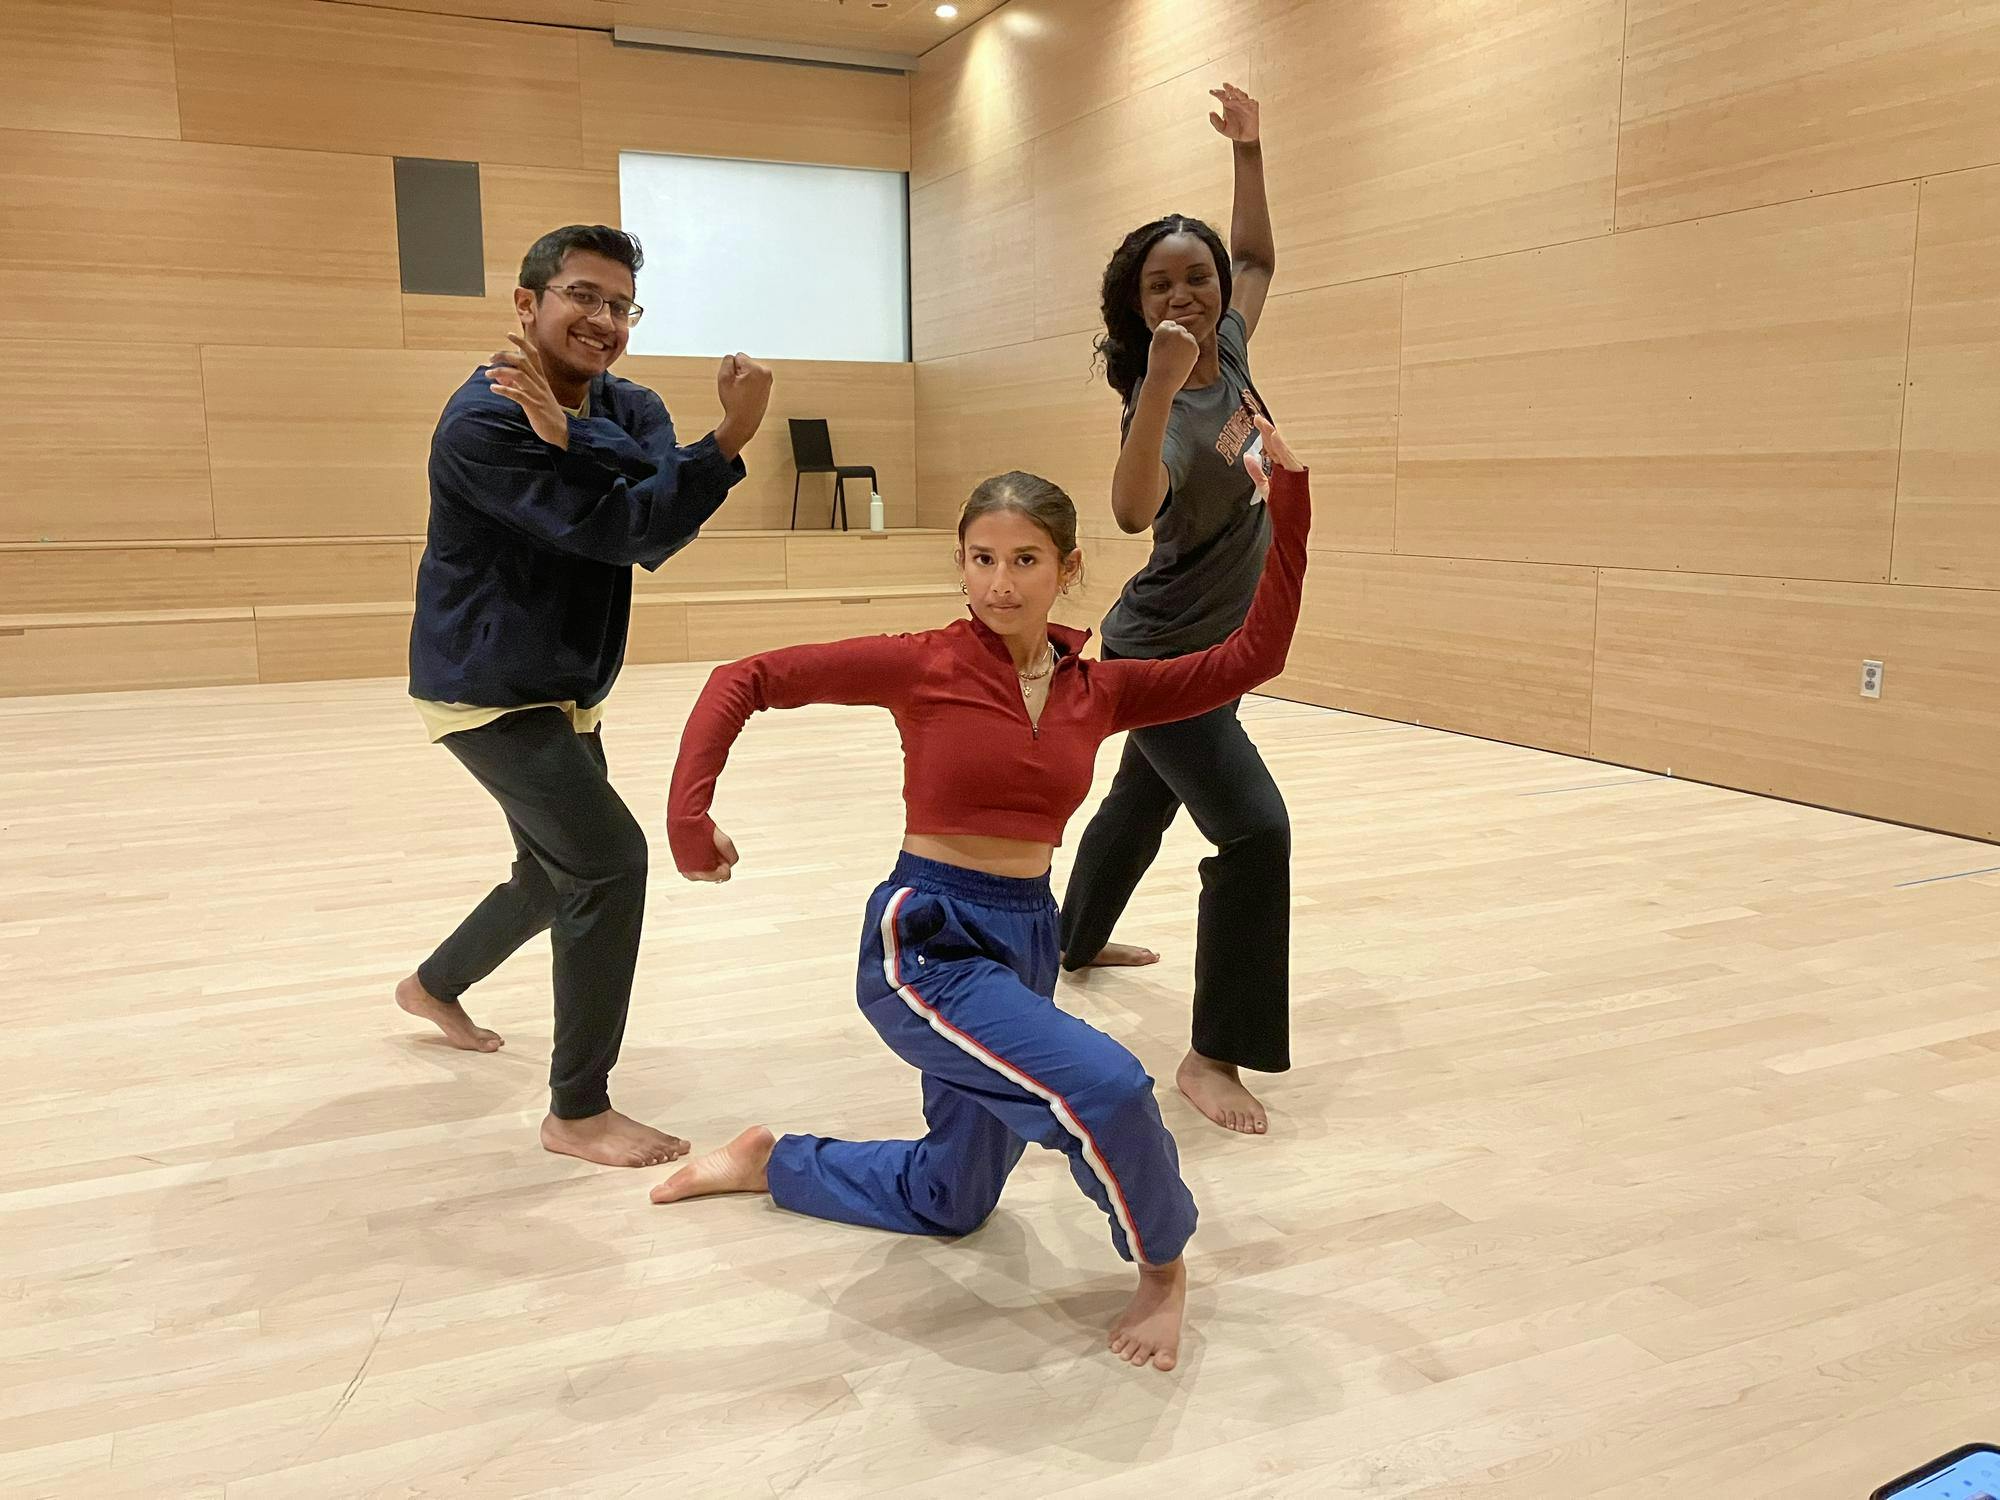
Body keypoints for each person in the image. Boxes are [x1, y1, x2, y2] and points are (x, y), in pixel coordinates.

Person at [647, 413, 1311, 1372]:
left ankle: (770, 1160)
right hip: (927, 943)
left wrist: (1288, 500)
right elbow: (743, 678)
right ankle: (1163, 1269)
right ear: (959, 565)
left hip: (1027, 940)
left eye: (1025, 560)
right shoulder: (923, 663)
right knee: (1110, 1087)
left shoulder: (1101, 689)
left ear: (1067, 568)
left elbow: (1255, 657)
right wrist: (688, 819)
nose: (1000, 583)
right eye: (982, 559)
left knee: (952, 1199)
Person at [396, 224, 774, 1169]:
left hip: (565, 686)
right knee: (608, 864)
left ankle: (433, 986)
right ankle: (577, 1111)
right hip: (488, 685)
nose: (602, 320)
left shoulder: (629, 402)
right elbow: (623, 531)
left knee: (549, 872)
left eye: (620, 304)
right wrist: (721, 442)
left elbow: (659, 501)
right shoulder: (482, 421)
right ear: (528, 305)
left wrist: (610, 435)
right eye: (582, 296)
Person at [1058, 82, 1289, 1137]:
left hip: (1212, 649)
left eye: (1195, 277)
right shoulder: (1158, 390)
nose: (1189, 293)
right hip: (1163, 657)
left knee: (1140, 802)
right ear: (1136, 301)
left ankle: (1069, 942)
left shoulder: (1232, 345)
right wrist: (1157, 381)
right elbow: (1126, 506)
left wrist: (1247, 152)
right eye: (1163, 283)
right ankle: (1212, 1056)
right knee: (1252, 834)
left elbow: (1258, 260)